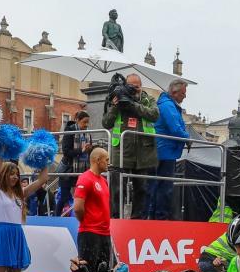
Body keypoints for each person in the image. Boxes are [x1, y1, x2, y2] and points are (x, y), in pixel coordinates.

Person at [0, 157, 50, 272]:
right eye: (11, 174)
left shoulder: (20, 194)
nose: (15, 177)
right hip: (2, 236)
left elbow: (41, 180)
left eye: (17, 174)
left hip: (18, 236)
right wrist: (0, 153)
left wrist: (47, 160)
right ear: (4, 174)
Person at [102, 73, 159, 219]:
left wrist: (134, 106)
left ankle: (137, 220)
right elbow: (106, 123)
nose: (135, 89)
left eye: (137, 86)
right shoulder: (117, 99)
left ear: (141, 85)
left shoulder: (148, 99)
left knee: (141, 189)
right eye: (131, 87)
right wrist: (115, 106)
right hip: (121, 152)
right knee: (117, 189)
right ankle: (116, 219)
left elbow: (154, 115)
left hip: (143, 153)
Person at [147, 79, 190, 221]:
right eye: (183, 93)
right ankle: (161, 219)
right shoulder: (168, 106)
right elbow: (175, 129)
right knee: (165, 187)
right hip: (165, 151)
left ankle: (153, 216)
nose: (185, 96)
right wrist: (187, 138)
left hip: (161, 150)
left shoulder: (166, 104)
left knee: (157, 186)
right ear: (175, 92)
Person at [74, 147, 113, 272]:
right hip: (90, 234)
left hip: (104, 234)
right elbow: (78, 208)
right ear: (98, 160)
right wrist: (87, 221)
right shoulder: (85, 178)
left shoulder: (104, 181)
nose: (109, 163)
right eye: (107, 160)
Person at [55, 111, 92, 217]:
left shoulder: (88, 132)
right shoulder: (69, 132)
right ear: (78, 121)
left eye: (88, 122)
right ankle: (56, 218)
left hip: (83, 167)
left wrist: (90, 149)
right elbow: (66, 151)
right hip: (69, 168)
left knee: (83, 196)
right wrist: (81, 151)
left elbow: (89, 149)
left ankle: (82, 216)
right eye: (84, 122)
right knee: (64, 197)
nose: (86, 125)